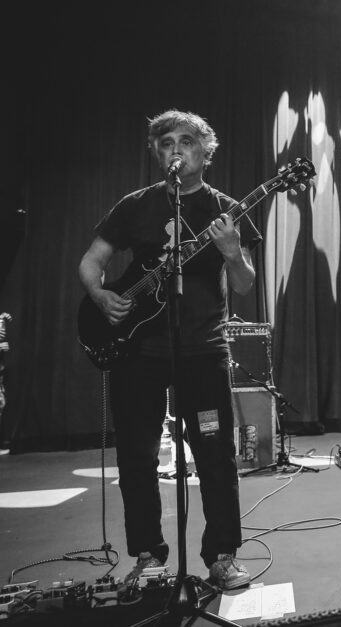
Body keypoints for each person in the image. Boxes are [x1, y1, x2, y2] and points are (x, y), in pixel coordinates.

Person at [78, 110, 263, 590]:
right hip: (137, 350)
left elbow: (244, 284)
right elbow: (92, 261)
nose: (176, 149)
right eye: (166, 143)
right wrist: (100, 295)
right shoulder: (135, 205)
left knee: (215, 455)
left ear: (205, 152)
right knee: (136, 456)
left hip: (203, 348)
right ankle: (148, 556)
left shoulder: (226, 209)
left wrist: (230, 252)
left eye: (186, 141)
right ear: (156, 153)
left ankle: (221, 556)